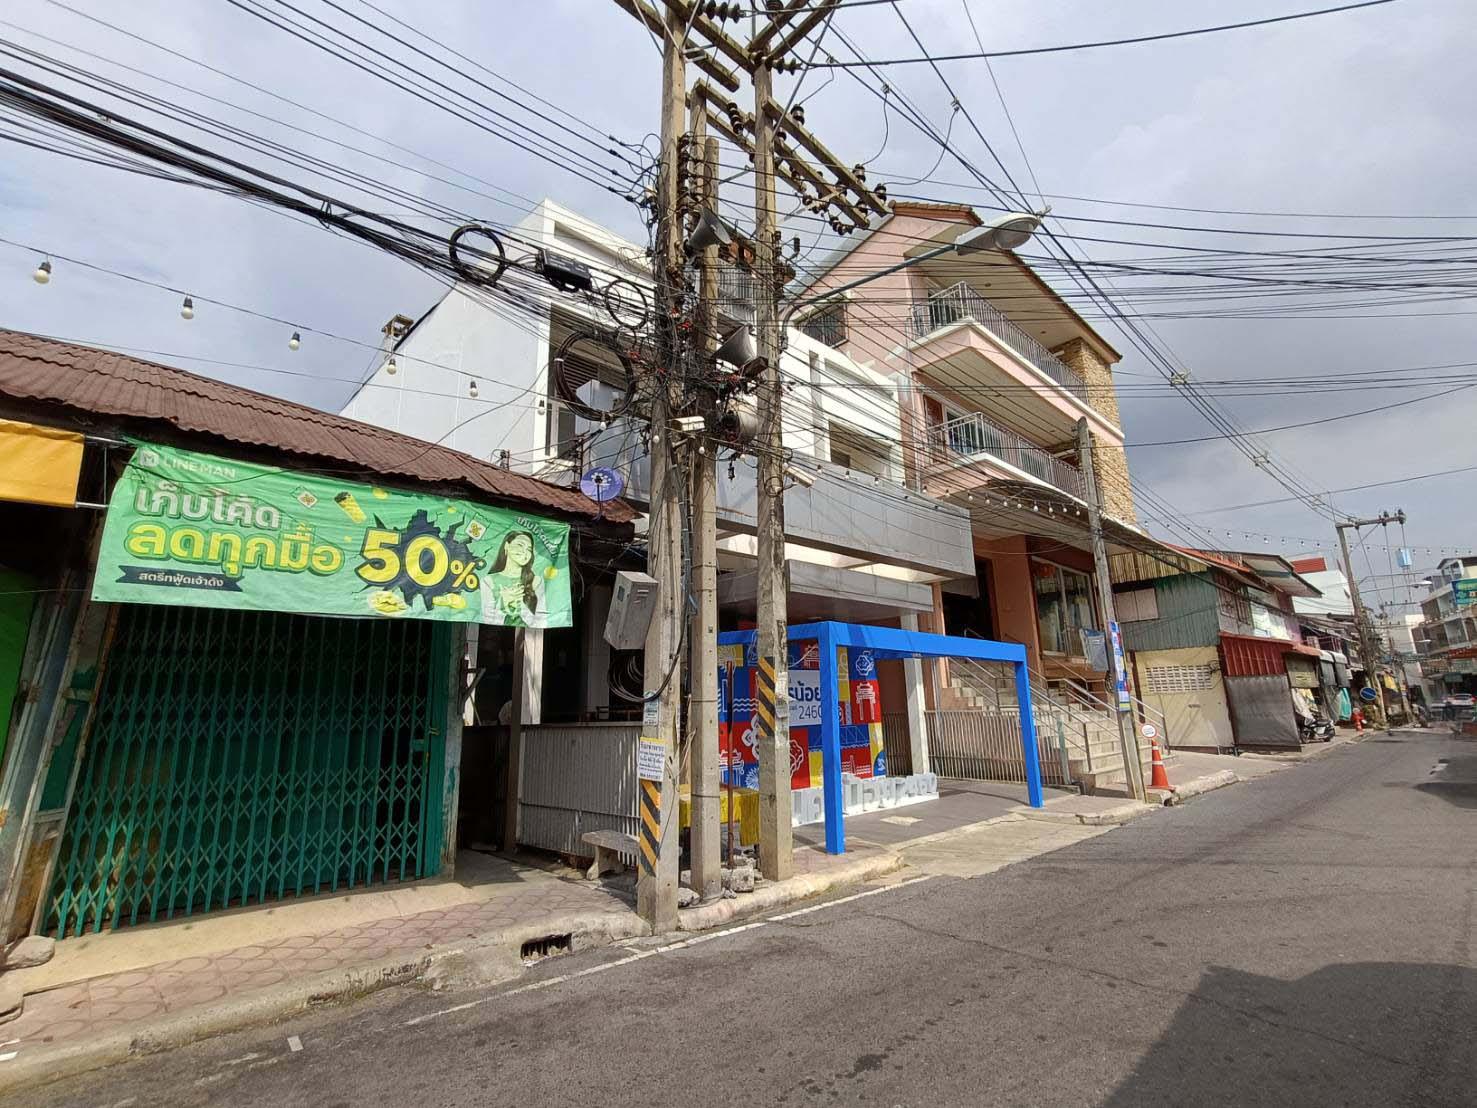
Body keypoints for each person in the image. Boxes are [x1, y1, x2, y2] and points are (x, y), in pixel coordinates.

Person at [479, 530, 546, 627]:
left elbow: (542, 622)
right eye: (520, 545)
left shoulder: (537, 581)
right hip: (497, 635)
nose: (524, 552)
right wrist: (503, 604)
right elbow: (487, 620)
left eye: (529, 549)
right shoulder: (488, 581)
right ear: (506, 546)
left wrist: (520, 605)